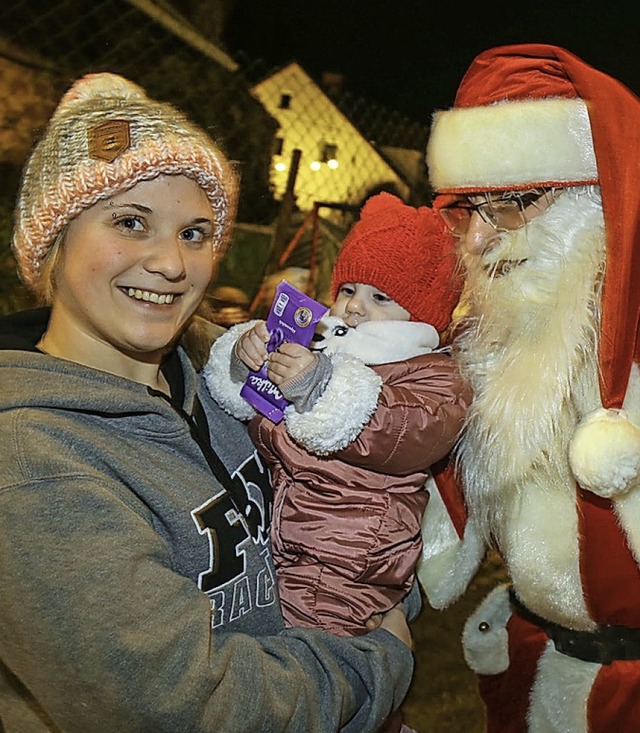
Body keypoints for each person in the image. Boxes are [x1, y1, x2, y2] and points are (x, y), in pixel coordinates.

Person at [0, 72, 416, 733]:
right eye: (131, 222)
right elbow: (185, 705)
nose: (171, 262)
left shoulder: (212, 375)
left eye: (194, 233)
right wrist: (375, 661)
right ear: (53, 239)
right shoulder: (34, 462)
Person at [417, 44, 640, 732]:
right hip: (534, 661)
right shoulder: (489, 338)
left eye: (511, 204)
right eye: (469, 209)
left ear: (592, 199)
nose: (481, 239)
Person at [204, 193, 470, 633]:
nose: (355, 306)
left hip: (351, 554)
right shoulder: (323, 347)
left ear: (420, 311)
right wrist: (246, 362)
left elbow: (400, 430)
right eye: (348, 289)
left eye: (380, 296)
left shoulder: (435, 376)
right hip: (281, 531)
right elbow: (265, 417)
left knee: (318, 660)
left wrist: (318, 388)